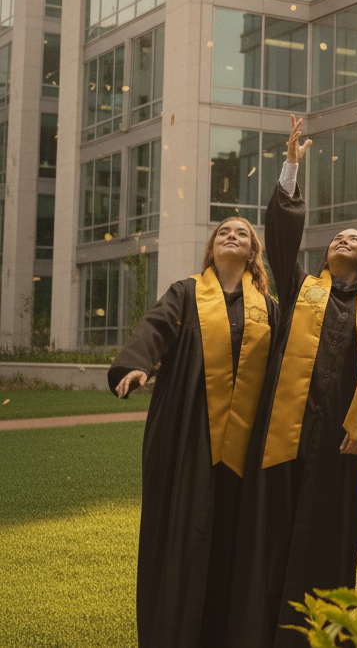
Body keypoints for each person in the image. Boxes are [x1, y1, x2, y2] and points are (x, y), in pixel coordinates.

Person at [226, 116, 357, 648]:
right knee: (274, 532)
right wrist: (291, 168)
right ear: (325, 254)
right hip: (287, 434)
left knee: (326, 541)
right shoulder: (301, 289)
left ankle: (318, 635)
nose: (345, 240)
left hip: (339, 445)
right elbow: (279, 237)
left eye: (355, 239)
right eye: (338, 237)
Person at [108, 216, 278, 648]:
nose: (231, 236)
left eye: (241, 233)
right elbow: (156, 326)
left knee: (237, 535)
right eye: (223, 232)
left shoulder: (269, 307)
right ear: (211, 248)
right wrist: (137, 364)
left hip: (248, 441)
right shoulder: (186, 293)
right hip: (190, 432)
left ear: (253, 252)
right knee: (187, 530)